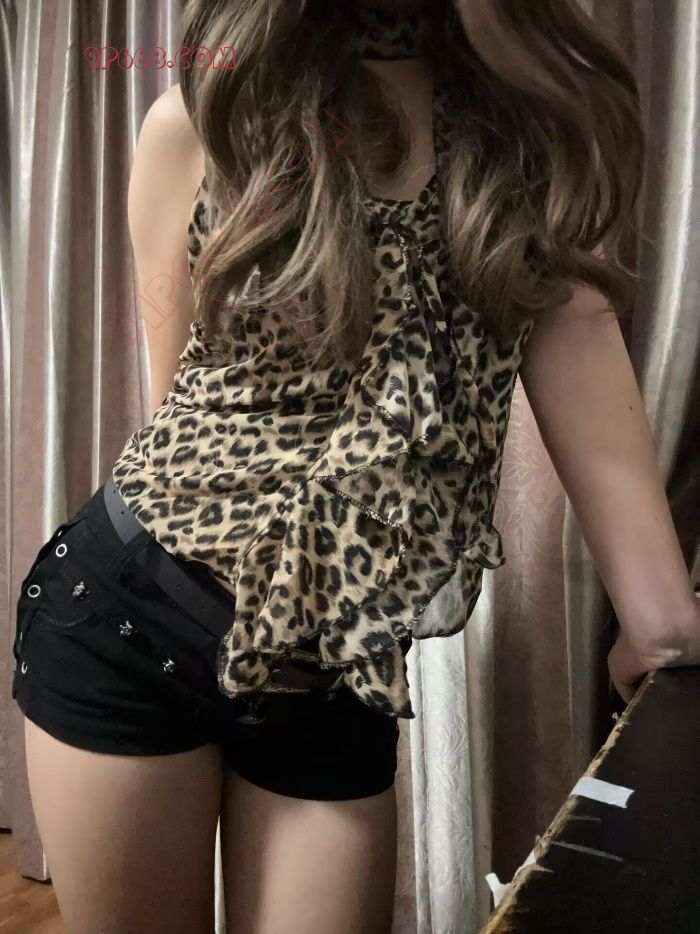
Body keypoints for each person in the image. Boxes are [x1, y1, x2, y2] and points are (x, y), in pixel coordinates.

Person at [12, 1, 699, 931]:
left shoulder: (526, 136)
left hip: (334, 670)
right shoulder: (206, 117)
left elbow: (579, 334)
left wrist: (660, 623)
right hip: (128, 620)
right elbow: (178, 414)